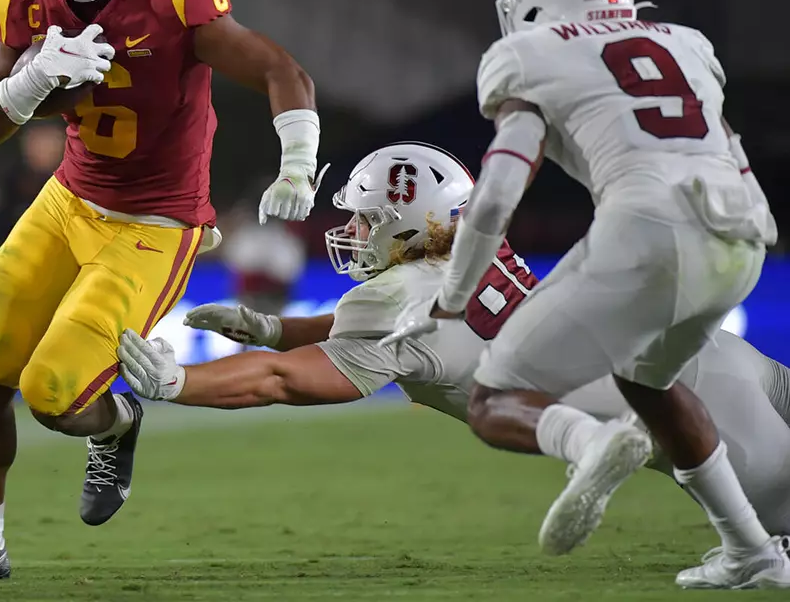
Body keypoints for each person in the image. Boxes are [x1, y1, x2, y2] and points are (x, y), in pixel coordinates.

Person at [0, 0, 324, 582]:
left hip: (154, 224)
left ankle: (119, 421)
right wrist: (32, 80)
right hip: (68, 202)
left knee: (53, 394)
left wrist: (297, 161)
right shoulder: (25, 0)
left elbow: (280, 70)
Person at [378, 0, 785, 588]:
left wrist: (449, 300)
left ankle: (591, 442)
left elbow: (496, 194)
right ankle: (751, 552)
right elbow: (732, 151)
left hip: (648, 230)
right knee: (648, 382)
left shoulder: (529, 54)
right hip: (742, 238)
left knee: (494, 398)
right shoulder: (684, 43)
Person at [118, 142, 790, 537]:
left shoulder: (394, 297)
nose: (352, 232)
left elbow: (285, 380)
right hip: (716, 361)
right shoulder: (467, 252)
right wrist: (270, 328)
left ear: (408, 224)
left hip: (703, 421)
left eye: (367, 219)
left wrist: (179, 383)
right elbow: (385, 332)